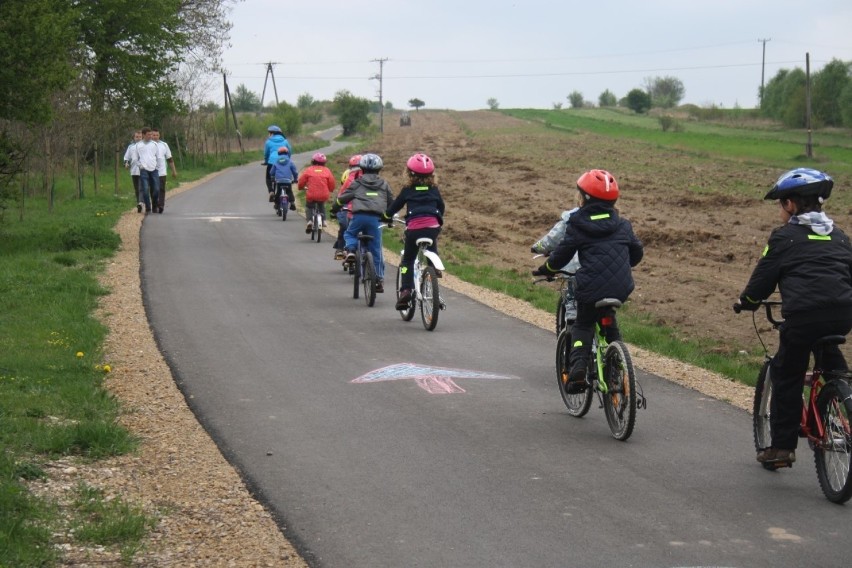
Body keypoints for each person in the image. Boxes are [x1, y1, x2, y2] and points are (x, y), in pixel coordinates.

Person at [736, 168, 852, 467]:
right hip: (842, 314)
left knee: (786, 373)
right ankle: (842, 397)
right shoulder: (839, 236)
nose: (780, 210)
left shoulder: (784, 237)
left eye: (781, 204)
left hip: (803, 318)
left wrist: (746, 301)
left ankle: (782, 448)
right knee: (832, 361)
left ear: (791, 204)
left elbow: (762, 280)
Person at [534, 169, 643, 393]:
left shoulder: (577, 223)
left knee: (583, 324)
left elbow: (562, 254)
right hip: (621, 286)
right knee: (609, 323)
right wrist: (623, 263)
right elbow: (637, 253)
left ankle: (577, 374)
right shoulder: (623, 225)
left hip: (590, 287)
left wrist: (547, 269)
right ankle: (619, 366)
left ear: (582, 198)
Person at [384, 153, 445, 310]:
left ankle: (405, 290)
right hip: (432, 228)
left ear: (409, 173)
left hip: (414, 230)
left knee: (407, 261)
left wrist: (385, 216)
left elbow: (394, 207)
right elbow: (441, 207)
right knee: (432, 243)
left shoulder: (408, 190)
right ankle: (434, 268)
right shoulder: (434, 189)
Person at [336, 153, 394, 293]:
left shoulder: (357, 183)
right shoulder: (384, 184)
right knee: (376, 250)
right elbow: (391, 202)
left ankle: (350, 250)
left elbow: (343, 198)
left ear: (361, 168)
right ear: (379, 169)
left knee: (349, 234)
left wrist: (335, 207)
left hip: (359, 217)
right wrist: (389, 217)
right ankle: (379, 279)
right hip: (376, 220)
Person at [531, 204, 582, 323]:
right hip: (615, 278)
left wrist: (537, 248)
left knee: (573, 303)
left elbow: (552, 240)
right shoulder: (617, 220)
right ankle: (614, 340)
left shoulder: (573, 217)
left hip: (580, 270)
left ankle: (573, 336)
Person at [331, 154, 362, 260]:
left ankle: (341, 249)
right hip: (363, 210)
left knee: (345, 229)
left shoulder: (349, 177)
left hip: (349, 209)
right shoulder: (370, 179)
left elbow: (341, 196)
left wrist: (334, 209)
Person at [297, 152, 336, 234]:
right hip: (324, 194)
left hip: (311, 194)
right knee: (321, 205)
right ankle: (324, 220)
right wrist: (331, 189)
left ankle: (310, 221)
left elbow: (301, 181)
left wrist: (300, 187)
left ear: (313, 161)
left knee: (309, 206)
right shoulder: (327, 170)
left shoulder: (309, 170)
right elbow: (332, 182)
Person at [133, 127, 160, 214]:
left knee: (156, 189)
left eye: (151, 134)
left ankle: (155, 205)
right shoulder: (138, 145)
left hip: (154, 169)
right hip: (144, 170)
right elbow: (135, 158)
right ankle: (148, 207)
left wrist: (157, 166)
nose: (150, 136)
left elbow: (158, 156)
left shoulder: (154, 144)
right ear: (144, 135)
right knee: (145, 189)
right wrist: (140, 166)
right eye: (148, 134)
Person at [262, 125, 291, 202]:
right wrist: (288, 159)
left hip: (272, 162)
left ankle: (271, 191)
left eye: (269, 133)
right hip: (284, 161)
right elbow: (289, 151)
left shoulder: (268, 142)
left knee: (268, 177)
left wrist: (266, 161)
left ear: (271, 133)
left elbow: (266, 153)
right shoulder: (285, 141)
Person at [152, 128, 177, 214]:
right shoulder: (148, 145)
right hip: (152, 171)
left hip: (162, 171)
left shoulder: (164, 145)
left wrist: (174, 170)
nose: (155, 137)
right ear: (151, 135)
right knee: (154, 189)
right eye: (153, 135)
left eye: (157, 135)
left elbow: (169, 158)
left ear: (159, 135)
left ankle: (161, 205)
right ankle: (154, 205)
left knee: (161, 189)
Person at [271, 146, 298, 216]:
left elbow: (272, 172)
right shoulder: (290, 161)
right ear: (287, 153)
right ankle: (292, 203)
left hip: (279, 181)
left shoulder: (276, 162)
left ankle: (277, 204)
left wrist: (273, 177)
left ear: (279, 153)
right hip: (288, 181)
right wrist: (295, 179)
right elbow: (295, 172)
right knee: (289, 191)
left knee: (278, 192)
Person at [123, 130, 142, 210]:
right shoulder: (131, 147)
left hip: (144, 170)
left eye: (140, 137)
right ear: (134, 138)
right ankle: (139, 203)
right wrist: (126, 163)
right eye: (136, 137)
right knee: (137, 188)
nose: (138, 138)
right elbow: (126, 157)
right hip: (134, 170)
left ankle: (142, 202)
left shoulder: (146, 146)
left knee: (142, 187)